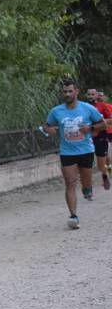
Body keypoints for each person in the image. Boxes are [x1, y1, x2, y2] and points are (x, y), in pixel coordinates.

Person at [45, 80, 106, 228]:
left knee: (86, 181)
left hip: (86, 150)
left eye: (70, 91)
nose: (67, 94)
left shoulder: (87, 108)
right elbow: (47, 125)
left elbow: (103, 124)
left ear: (76, 91)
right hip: (67, 152)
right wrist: (49, 130)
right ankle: (73, 216)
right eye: (65, 91)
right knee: (70, 183)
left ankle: (87, 189)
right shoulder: (56, 111)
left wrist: (90, 128)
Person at [84, 87, 112, 191]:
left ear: (97, 95)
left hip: (101, 136)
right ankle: (88, 186)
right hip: (87, 138)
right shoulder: (83, 107)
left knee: (102, 163)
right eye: (89, 94)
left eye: (93, 94)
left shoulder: (103, 106)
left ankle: (105, 175)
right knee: (86, 163)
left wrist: (99, 123)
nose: (91, 96)